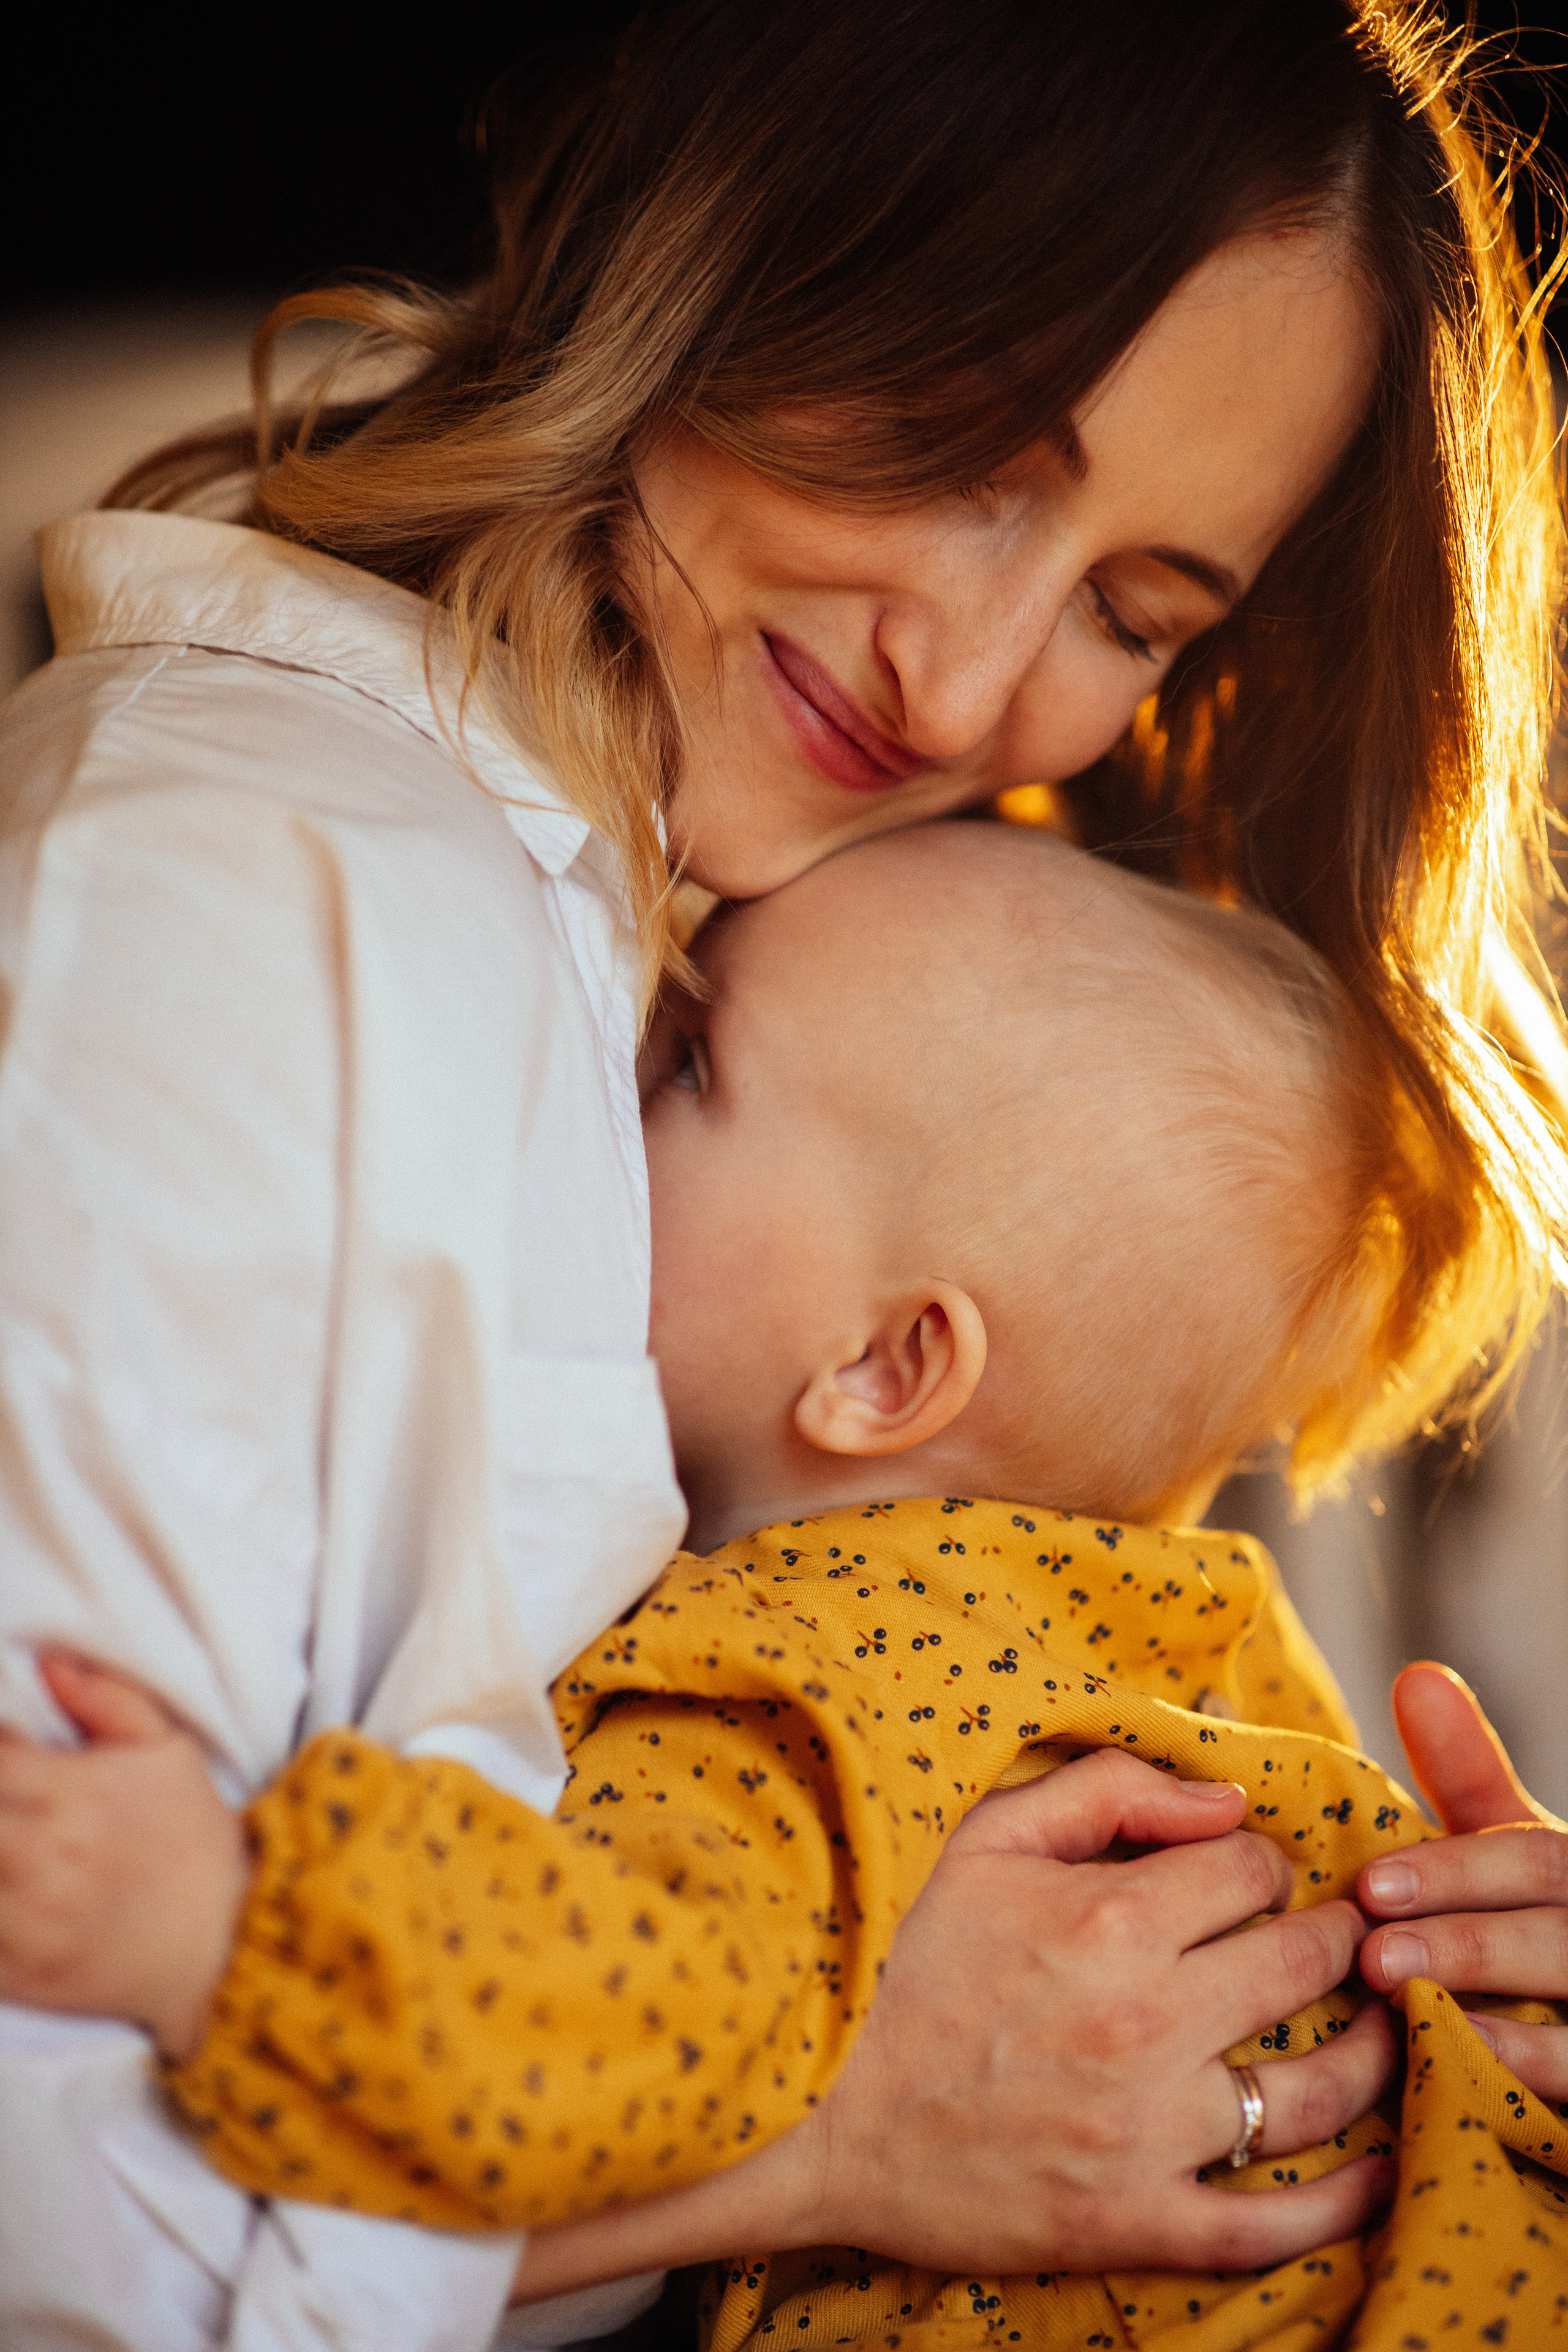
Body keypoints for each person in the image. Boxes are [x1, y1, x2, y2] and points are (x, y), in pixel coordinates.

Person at [2, 0, 1567, 2343]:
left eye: (1136, 615)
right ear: (730, 260)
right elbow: (52, 2192)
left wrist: (1452, 2044)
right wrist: (862, 2138)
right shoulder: (238, 896)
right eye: (958, 449)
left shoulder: (841, 998)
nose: (967, 689)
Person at [7, 823, 1568, 2352]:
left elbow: (629, 2020)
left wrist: (214, 1926)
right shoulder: (1198, 1639)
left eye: (690, 1063)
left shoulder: (793, 1672)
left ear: (887, 1369)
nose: (610, 1074)